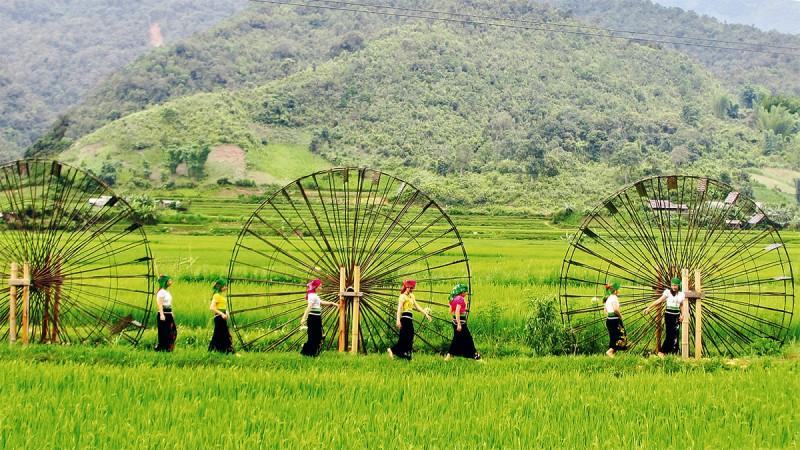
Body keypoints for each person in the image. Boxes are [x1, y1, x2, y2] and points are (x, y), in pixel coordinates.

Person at [388, 280, 431, 360]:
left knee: (410, 336)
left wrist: (425, 313)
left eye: (412, 288)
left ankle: (406, 353)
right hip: (404, 318)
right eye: (410, 288)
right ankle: (394, 351)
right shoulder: (402, 296)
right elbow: (399, 309)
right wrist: (398, 320)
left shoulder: (412, 296)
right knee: (404, 337)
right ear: (406, 287)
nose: (411, 290)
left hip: (410, 319)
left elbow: (417, 307)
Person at [645, 277, 686, 356]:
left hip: (676, 316)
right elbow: (659, 300)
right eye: (672, 285)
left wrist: (682, 315)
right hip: (669, 315)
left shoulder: (681, 294)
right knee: (669, 334)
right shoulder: (668, 292)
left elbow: (681, 305)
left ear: (679, 286)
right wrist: (649, 307)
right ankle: (662, 352)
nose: (674, 287)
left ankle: (670, 352)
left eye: (675, 286)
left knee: (675, 335)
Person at [300, 278, 338, 356]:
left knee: (317, 335)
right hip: (313, 318)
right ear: (315, 287)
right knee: (314, 336)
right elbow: (309, 307)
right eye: (320, 286)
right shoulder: (312, 296)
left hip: (317, 318)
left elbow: (320, 302)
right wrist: (304, 317)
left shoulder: (315, 295)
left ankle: (309, 352)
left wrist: (332, 303)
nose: (321, 288)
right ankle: (308, 352)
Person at [445, 283, 481, 361]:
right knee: (468, 339)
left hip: (455, 321)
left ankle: (448, 356)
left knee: (456, 339)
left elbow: (451, 311)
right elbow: (457, 311)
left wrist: (463, 310)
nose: (466, 293)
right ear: (462, 292)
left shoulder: (453, 299)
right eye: (465, 292)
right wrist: (459, 324)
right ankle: (476, 356)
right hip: (460, 322)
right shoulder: (460, 299)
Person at [208, 278, 234, 353]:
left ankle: (217, 350)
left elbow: (223, 307)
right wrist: (222, 314)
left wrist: (226, 312)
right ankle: (228, 351)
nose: (226, 287)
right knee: (223, 334)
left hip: (223, 317)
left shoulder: (221, 296)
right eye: (225, 286)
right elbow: (212, 307)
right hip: (219, 318)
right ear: (221, 287)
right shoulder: (216, 295)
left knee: (220, 334)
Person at [603, 281, 627, 358]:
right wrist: (620, 316)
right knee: (621, 336)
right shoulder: (614, 298)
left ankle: (612, 354)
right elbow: (616, 310)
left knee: (613, 337)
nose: (619, 291)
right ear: (615, 290)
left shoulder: (608, 298)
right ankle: (610, 351)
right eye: (618, 289)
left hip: (609, 320)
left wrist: (610, 316)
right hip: (615, 320)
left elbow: (605, 310)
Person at [154, 275, 177, 352]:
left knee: (172, 330)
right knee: (164, 331)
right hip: (163, 313)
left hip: (168, 313)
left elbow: (169, 303)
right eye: (169, 281)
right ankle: (162, 348)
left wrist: (171, 312)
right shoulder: (161, 292)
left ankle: (168, 347)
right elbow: (160, 304)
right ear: (165, 282)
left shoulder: (166, 291)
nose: (171, 282)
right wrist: (161, 314)